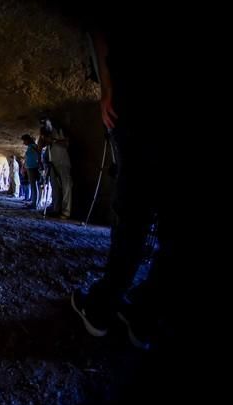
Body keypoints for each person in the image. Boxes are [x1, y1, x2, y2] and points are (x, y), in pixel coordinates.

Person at [70, 14, 174, 351]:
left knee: (133, 207)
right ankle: (146, 313)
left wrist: (108, 86)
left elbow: (101, 30)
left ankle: (103, 307)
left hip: (140, 97)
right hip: (145, 98)